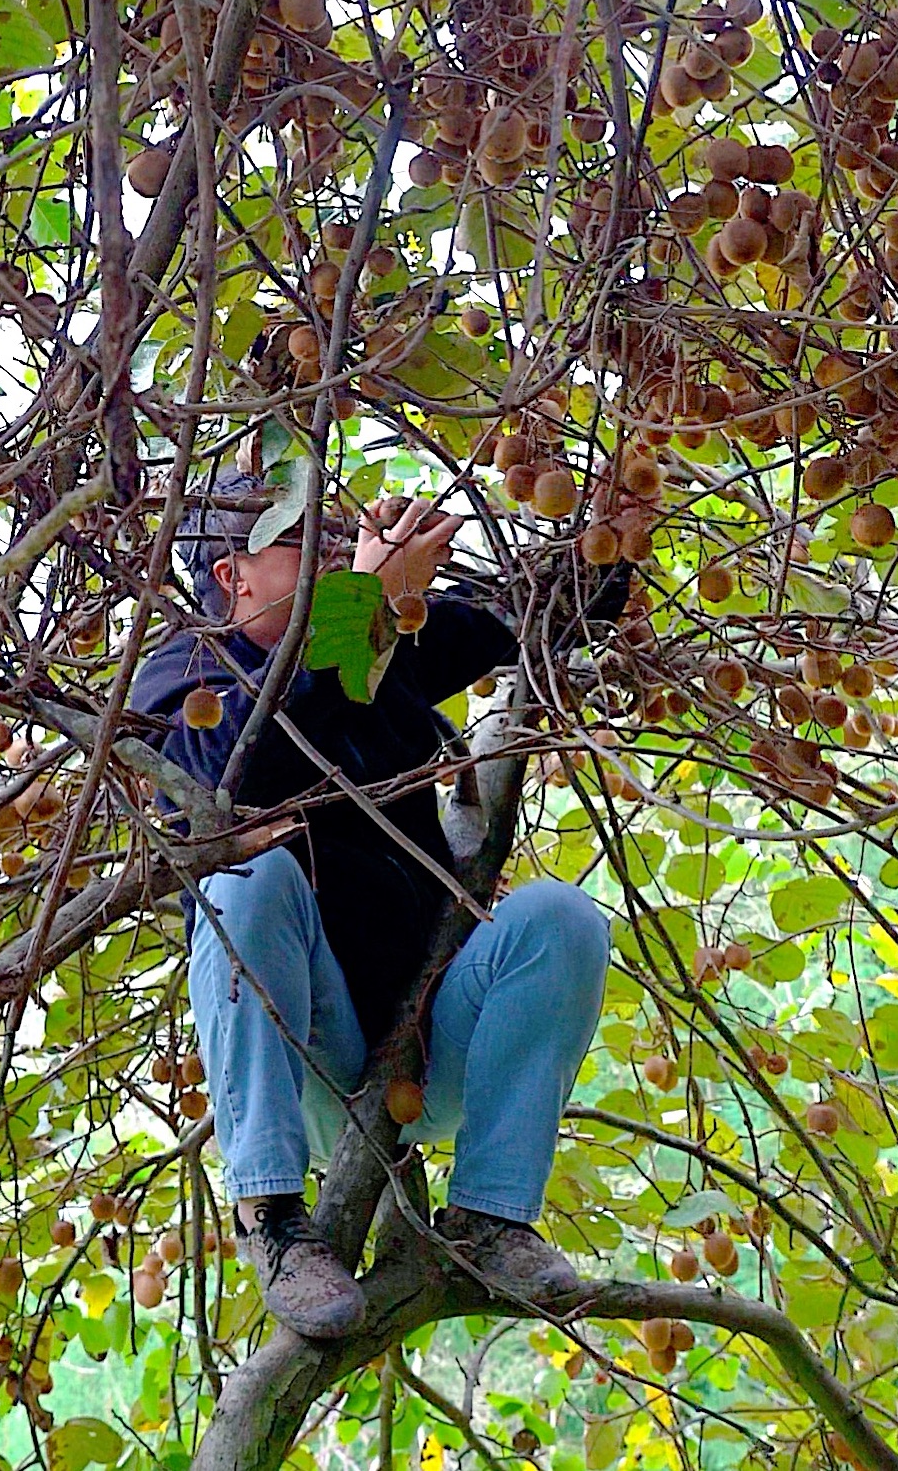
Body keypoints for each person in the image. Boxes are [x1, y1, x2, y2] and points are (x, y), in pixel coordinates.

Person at [129, 469, 627, 1341]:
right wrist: (364, 608)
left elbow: (536, 614)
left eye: (336, 541)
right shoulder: (184, 673)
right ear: (230, 577)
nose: (331, 556)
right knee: (247, 878)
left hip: (436, 1035)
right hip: (316, 1055)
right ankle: (274, 1218)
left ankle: (491, 1216)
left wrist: (617, 525)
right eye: (304, 544)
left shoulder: (376, 651)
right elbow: (225, 787)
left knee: (561, 918)